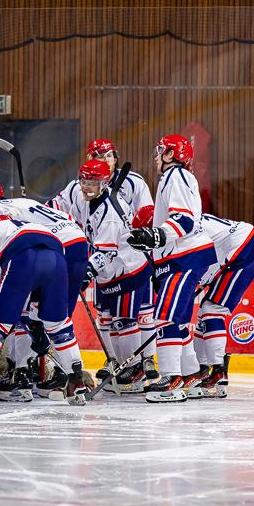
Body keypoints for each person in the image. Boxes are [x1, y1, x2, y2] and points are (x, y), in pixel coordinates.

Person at [0, 179, 88, 399]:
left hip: (51, 248)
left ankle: (22, 371)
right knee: (58, 319)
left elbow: (8, 242)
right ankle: (66, 373)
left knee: (22, 308)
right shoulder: (26, 203)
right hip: (77, 246)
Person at [128, 134, 216, 403]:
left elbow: (184, 220)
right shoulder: (177, 177)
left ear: (170, 154)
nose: (157, 156)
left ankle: (171, 379)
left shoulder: (174, 175)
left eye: (161, 150)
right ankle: (191, 375)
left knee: (165, 317)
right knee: (176, 319)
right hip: (182, 257)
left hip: (185, 257)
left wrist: (156, 235)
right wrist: (151, 243)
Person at [77, 159, 153, 393]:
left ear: (104, 183)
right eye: (83, 181)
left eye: (92, 183)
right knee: (109, 320)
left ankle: (134, 370)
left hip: (128, 269)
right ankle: (120, 366)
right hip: (111, 272)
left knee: (124, 321)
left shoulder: (109, 212)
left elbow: (106, 252)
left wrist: (86, 273)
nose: (86, 187)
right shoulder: (91, 201)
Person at [193, 214, 254, 397]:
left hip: (243, 250)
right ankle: (203, 368)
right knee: (205, 310)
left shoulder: (189, 228)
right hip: (244, 249)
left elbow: (205, 261)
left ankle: (217, 370)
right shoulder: (190, 219)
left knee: (211, 309)